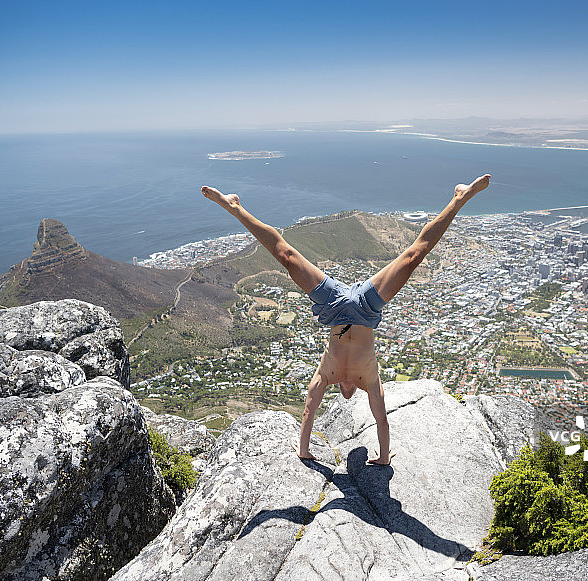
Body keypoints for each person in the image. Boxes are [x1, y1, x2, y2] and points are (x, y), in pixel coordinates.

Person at [201, 174, 490, 465]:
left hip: (334, 307)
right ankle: (459, 198)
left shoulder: (325, 376)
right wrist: (384, 458)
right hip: (366, 307)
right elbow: (382, 422)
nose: (347, 392)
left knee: (286, 255)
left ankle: (234, 207)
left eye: (343, 391)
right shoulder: (371, 383)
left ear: (340, 387)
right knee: (413, 256)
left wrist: (303, 450)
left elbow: (308, 412)